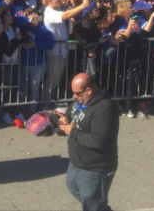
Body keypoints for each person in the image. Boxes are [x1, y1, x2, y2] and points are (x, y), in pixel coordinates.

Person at [58, 73, 119, 211]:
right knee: (74, 188)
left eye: (77, 93)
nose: (74, 97)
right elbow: (72, 109)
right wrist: (66, 118)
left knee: (92, 205)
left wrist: (72, 132)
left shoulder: (104, 109)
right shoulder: (82, 100)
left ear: (88, 90)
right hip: (77, 163)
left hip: (94, 169)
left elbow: (98, 141)